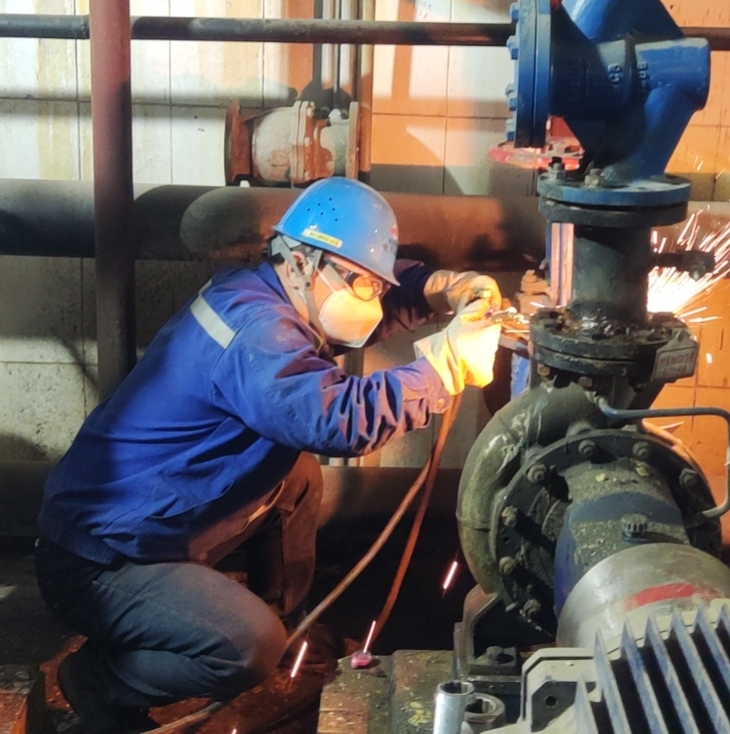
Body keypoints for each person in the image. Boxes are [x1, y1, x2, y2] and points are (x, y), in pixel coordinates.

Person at [35, 177, 503, 733]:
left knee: (295, 475)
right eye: (362, 283)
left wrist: (437, 289)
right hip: (98, 560)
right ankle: (102, 678)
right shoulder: (255, 331)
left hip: (149, 523)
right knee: (246, 647)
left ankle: (283, 623)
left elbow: (364, 297)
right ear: (302, 261)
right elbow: (341, 419)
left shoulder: (271, 291)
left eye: (377, 284)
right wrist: (443, 368)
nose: (371, 297)